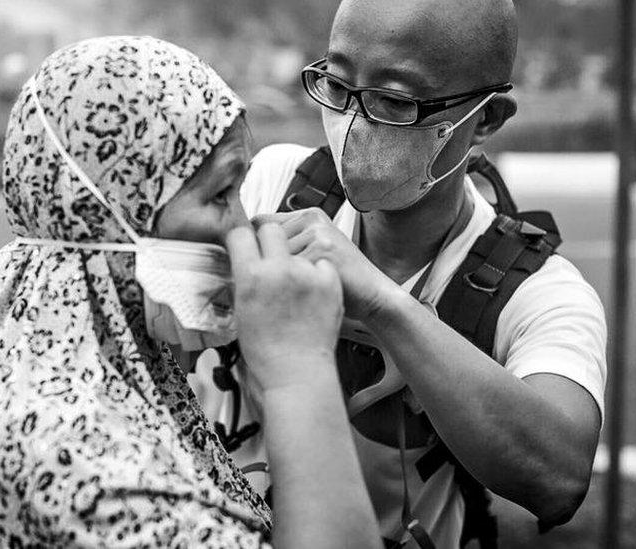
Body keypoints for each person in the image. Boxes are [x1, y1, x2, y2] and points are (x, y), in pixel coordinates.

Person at [0, 36, 380, 548]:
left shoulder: (28, 292)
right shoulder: (87, 475)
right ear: (115, 213)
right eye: (221, 193)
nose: (243, 227)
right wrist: (299, 368)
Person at [194, 1, 607, 547]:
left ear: (484, 118)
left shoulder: (537, 294)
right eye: (337, 86)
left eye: (394, 100)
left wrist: (382, 303)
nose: (353, 123)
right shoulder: (277, 182)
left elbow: (558, 480)